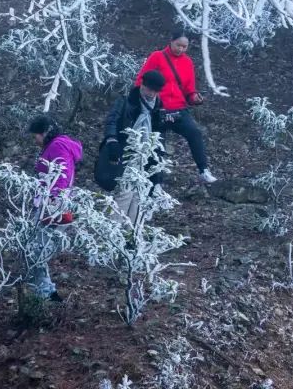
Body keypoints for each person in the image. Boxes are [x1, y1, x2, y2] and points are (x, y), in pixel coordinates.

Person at [135, 31, 217, 183]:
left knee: (195, 133)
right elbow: (141, 80)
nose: (181, 49)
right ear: (171, 41)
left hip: (179, 108)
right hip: (158, 109)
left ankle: (203, 170)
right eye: (178, 45)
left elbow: (189, 90)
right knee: (157, 145)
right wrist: (147, 101)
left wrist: (195, 98)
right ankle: (155, 183)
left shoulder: (187, 62)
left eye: (184, 47)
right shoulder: (157, 57)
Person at [97, 69, 167, 224]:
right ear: (142, 85)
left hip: (146, 157)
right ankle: (113, 231)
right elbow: (112, 121)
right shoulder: (126, 101)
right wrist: (112, 141)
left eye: (155, 91)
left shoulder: (159, 108)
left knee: (140, 195)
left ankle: (131, 236)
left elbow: (160, 139)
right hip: (126, 153)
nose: (151, 94)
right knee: (124, 193)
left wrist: (158, 170)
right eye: (150, 89)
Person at [26, 114, 82, 302]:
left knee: (36, 249)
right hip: (51, 203)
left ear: (45, 133)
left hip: (52, 205)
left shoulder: (57, 146)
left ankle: (45, 294)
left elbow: (62, 175)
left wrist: (52, 201)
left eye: (36, 136)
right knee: (36, 247)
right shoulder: (58, 144)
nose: (35, 141)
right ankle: (44, 291)